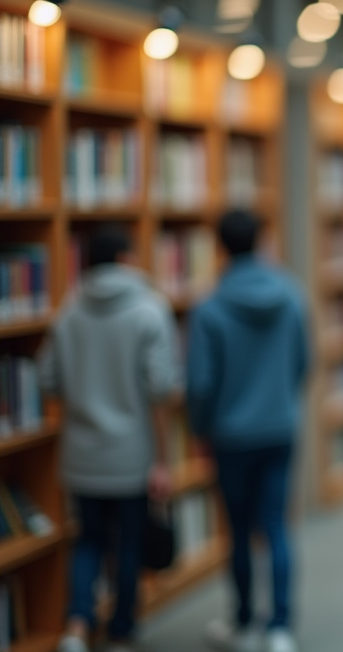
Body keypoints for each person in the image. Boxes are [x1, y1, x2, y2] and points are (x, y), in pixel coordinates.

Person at [40, 224, 178, 652]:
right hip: (132, 454)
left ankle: (77, 626)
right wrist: (162, 458)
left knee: (89, 540)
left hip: (81, 455)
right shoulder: (149, 310)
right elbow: (161, 389)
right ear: (125, 259)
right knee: (129, 543)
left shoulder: (68, 313)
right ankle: (121, 630)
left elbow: (48, 380)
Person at [186, 209, 310, 652]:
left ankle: (242, 623)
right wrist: (281, 402)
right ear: (261, 239)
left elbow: (200, 382)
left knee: (238, 530)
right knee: (276, 526)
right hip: (280, 427)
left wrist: (200, 428)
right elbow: (302, 362)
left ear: (220, 247)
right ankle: (280, 627)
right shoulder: (293, 294)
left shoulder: (209, 307)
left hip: (230, 436)